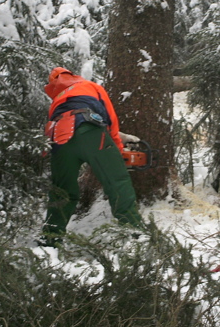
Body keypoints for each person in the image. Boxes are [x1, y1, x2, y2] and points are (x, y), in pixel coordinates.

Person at [42, 67, 144, 245]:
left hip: (59, 138)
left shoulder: (57, 100)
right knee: (117, 182)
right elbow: (110, 120)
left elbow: (64, 123)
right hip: (91, 132)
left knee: (61, 190)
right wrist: (117, 153)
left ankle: (51, 239)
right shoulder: (89, 85)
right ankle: (134, 232)